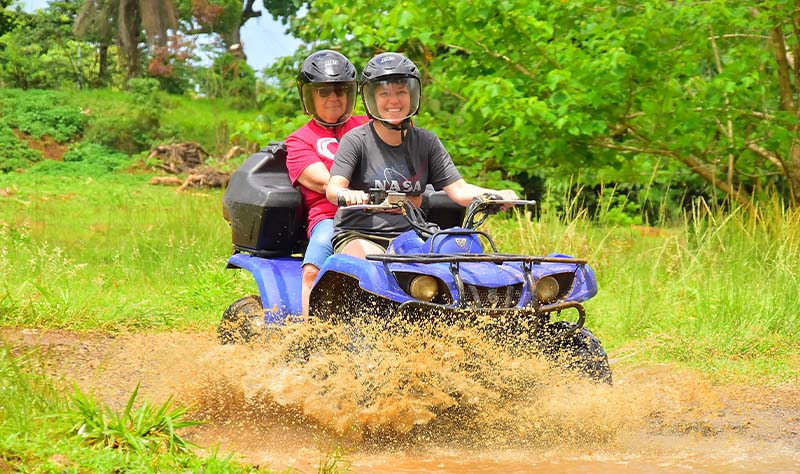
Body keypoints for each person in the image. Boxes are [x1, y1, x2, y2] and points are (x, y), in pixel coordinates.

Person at [326, 52, 518, 258]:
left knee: (458, 252)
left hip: (411, 234)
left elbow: (460, 191)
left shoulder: (427, 142)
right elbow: (333, 189)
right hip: (361, 234)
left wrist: (496, 195)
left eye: (401, 92)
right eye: (384, 94)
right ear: (371, 99)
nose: (394, 100)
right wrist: (347, 194)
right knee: (371, 263)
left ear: (413, 95)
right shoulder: (355, 140)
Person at [285, 50, 368, 316]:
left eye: (341, 90)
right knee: (313, 267)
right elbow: (325, 183)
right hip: (331, 218)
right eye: (324, 92)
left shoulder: (371, 125)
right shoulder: (299, 140)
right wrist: (352, 192)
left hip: (383, 214)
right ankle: (310, 338)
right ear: (310, 96)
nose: (334, 98)